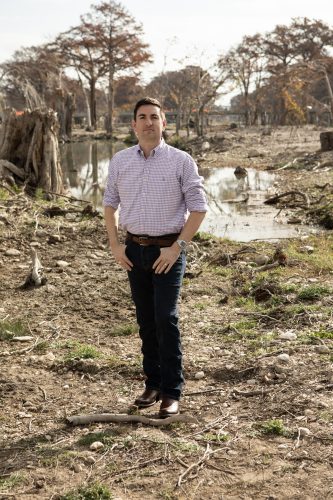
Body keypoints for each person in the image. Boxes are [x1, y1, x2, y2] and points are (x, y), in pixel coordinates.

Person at [103, 97, 207, 417]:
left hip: (168, 251)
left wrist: (177, 248)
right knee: (146, 320)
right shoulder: (120, 161)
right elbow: (110, 204)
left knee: (166, 317)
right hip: (134, 251)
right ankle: (153, 383)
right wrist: (115, 245)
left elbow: (199, 209)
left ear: (164, 123)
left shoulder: (181, 161)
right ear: (133, 124)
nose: (148, 122)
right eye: (142, 117)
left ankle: (172, 392)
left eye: (154, 117)